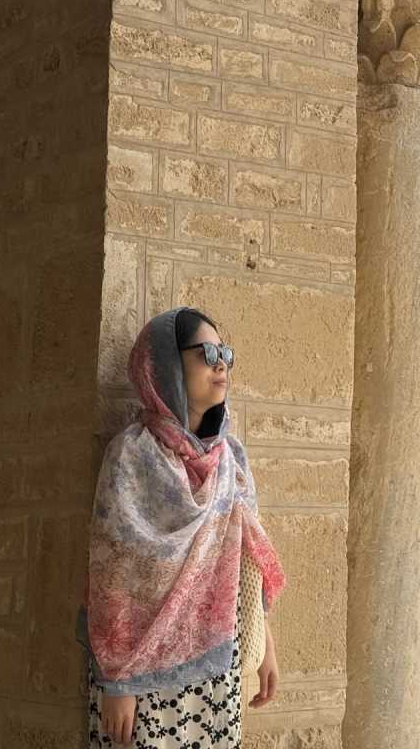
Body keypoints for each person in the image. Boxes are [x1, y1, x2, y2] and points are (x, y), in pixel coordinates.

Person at [83, 307, 287, 747]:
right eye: (207, 353)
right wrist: (118, 681)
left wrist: (264, 644)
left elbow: (245, 559)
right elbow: (112, 578)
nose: (221, 364)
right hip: (142, 673)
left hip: (217, 667)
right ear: (164, 366)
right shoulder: (132, 455)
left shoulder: (231, 458)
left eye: (225, 354)